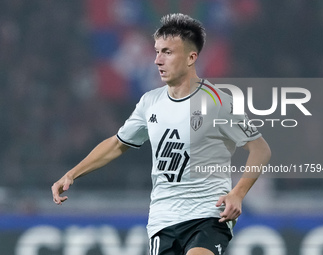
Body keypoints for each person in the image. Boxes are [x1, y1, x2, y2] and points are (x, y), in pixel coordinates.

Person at [51, 13, 271, 255]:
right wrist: (71, 174)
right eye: (156, 51)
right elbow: (117, 144)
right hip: (163, 220)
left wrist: (237, 193)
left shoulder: (218, 101)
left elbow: (260, 150)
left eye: (167, 52)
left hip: (208, 215)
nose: (157, 60)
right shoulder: (150, 102)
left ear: (191, 57)